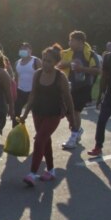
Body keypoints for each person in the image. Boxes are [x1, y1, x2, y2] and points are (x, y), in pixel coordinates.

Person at [20, 44, 77, 187]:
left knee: (39, 140)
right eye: (44, 60)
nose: (45, 63)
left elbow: (68, 98)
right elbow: (32, 95)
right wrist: (25, 114)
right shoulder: (37, 74)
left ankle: (32, 173)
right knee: (45, 140)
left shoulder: (60, 77)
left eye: (49, 61)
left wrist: (73, 119)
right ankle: (51, 171)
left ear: (56, 62)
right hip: (38, 112)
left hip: (53, 114)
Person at [58, 31, 99, 150]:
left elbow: (97, 70)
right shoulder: (67, 53)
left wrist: (82, 69)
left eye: (72, 40)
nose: (69, 42)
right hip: (68, 86)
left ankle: (73, 137)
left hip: (83, 87)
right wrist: (67, 63)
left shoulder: (90, 54)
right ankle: (77, 129)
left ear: (80, 42)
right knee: (67, 111)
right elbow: (58, 65)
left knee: (75, 111)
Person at [12, 42, 41, 116]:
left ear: (30, 50)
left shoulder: (36, 61)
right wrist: (14, 92)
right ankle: (16, 127)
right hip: (20, 91)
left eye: (25, 48)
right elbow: (16, 79)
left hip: (34, 91)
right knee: (16, 112)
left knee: (37, 113)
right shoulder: (17, 63)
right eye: (21, 49)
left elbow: (42, 75)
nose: (22, 50)